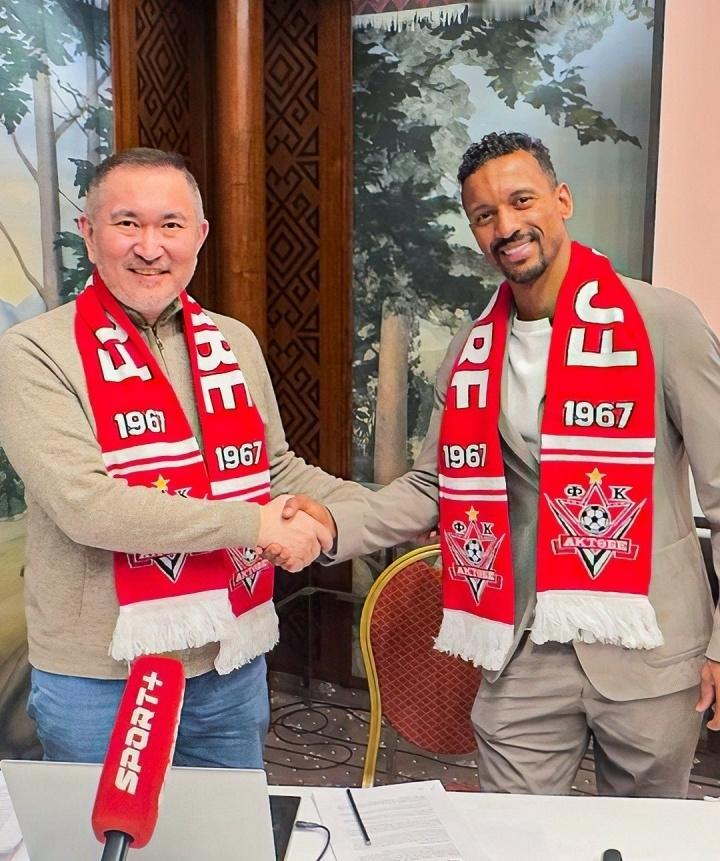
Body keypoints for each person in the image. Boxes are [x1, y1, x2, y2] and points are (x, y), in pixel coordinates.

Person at [287, 131, 720, 797]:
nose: (507, 226)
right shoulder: (471, 351)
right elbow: (432, 485)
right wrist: (332, 524)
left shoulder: (662, 322)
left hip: (648, 644)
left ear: (561, 199)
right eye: (485, 214)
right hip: (526, 645)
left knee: (643, 836)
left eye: (522, 201)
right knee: (511, 833)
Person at [0, 147, 365, 769]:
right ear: (89, 233)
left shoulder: (233, 342)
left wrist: (385, 512)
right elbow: (87, 506)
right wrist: (256, 525)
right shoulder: (35, 350)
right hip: (99, 676)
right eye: (127, 223)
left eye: (170, 225)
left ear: (199, 235)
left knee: (223, 823)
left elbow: (277, 469)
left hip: (227, 661)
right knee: (104, 829)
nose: (150, 247)